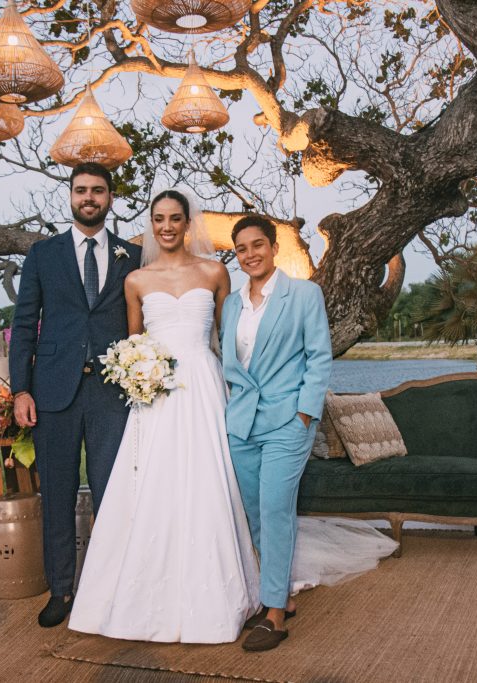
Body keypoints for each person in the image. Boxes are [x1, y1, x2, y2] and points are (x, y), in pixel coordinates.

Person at [68, 188, 261, 643]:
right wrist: (137, 372)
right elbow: (134, 343)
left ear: (188, 223)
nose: (167, 227)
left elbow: (228, 337)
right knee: (153, 482)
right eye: (159, 219)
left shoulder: (214, 272)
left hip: (203, 387)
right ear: (151, 224)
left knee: (206, 480)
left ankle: (216, 594)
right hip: (155, 394)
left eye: (175, 218)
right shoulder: (136, 280)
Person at [9, 162, 142, 628]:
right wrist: (21, 390)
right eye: (81, 190)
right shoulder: (43, 254)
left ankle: (113, 591)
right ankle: (61, 590)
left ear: (110, 198)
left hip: (112, 395)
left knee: (114, 496)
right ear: (70, 195)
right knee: (57, 495)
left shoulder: (132, 256)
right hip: (52, 393)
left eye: (98, 190)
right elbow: (24, 323)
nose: (89, 197)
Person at [221, 215, 333, 652]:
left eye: (257, 245)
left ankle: (274, 616)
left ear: (273, 247)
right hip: (242, 424)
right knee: (254, 511)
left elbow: (319, 357)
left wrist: (305, 414)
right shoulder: (232, 304)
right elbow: (231, 364)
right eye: (241, 249)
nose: (250, 254)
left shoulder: (303, 294)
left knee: (275, 509)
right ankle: (278, 593)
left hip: (288, 421)